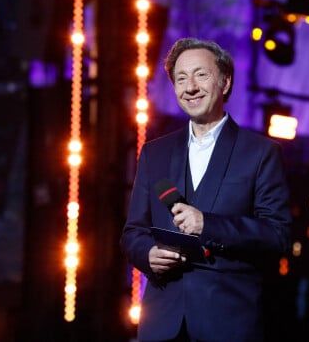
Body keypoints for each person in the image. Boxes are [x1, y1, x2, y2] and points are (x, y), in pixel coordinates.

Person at [120, 37, 293, 342]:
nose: (190, 87)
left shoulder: (260, 152)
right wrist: (148, 254)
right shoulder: (154, 153)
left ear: (225, 82)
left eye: (201, 75)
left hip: (227, 323)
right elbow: (133, 232)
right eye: (181, 78)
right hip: (162, 324)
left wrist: (208, 225)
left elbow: (277, 235)